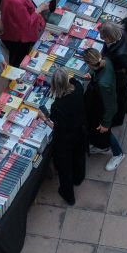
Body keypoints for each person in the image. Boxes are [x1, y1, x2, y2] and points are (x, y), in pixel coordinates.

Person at [47, 68, 89, 204]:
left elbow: (57, 127)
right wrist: (65, 77)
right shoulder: (78, 89)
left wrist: (44, 119)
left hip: (65, 140)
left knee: (65, 168)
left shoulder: (57, 106)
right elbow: (75, 80)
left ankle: (68, 195)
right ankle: (79, 178)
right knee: (79, 156)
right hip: (80, 132)